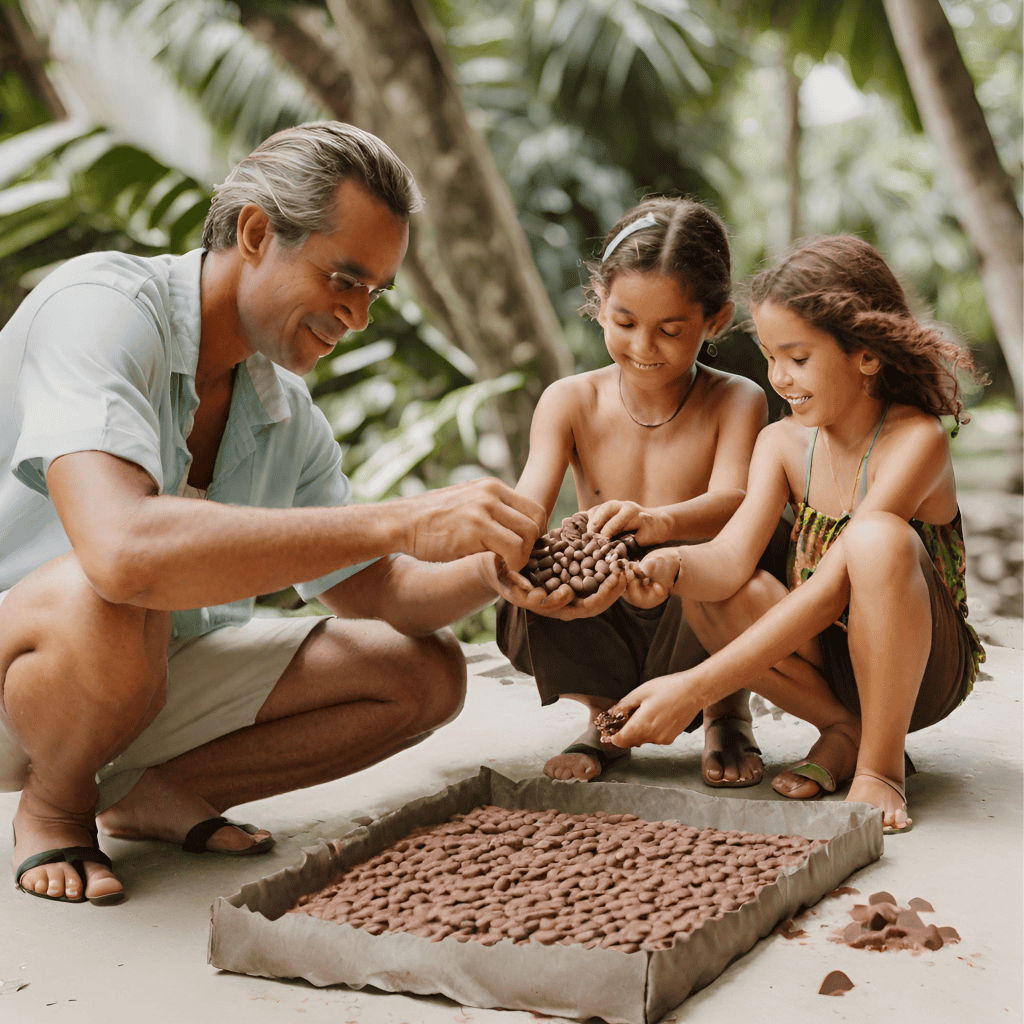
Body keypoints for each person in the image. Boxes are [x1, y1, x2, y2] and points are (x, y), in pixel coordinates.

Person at [0, 121, 545, 906]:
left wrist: (502, 563)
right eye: (344, 280)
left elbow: (381, 591)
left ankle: (156, 792)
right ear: (256, 232)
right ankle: (54, 804)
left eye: (374, 294)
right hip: (28, 674)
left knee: (421, 673)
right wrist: (401, 517)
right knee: (116, 591)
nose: (356, 317)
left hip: (144, 679)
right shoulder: (102, 308)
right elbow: (122, 551)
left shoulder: (281, 407)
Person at [604, 235, 986, 834]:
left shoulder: (917, 440)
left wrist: (693, 687)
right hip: (825, 663)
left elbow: (834, 585)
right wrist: (667, 565)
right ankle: (843, 730)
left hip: (922, 672)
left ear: (865, 354)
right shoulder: (782, 443)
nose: (779, 378)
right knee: (711, 588)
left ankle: (881, 765)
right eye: (769, 356)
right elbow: (730, 561)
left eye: (798, 358)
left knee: (876, 540)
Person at [492, 197, 785, 787]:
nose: (644, 348)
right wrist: (507, 560)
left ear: (716, 321)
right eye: (625, 323)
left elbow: (737, 500)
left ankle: (724, 709)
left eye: (670, 330)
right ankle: (605, 713)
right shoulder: (570, 400)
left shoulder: (737, 398)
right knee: (529, 578)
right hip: (604, 595)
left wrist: (657, 524)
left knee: (753, 568)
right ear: (599, 306)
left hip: (696, 586)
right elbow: (528, 506)